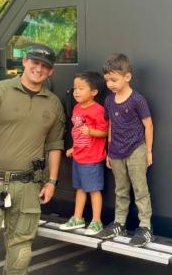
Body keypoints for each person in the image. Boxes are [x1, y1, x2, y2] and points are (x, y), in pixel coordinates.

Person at [0, 44, 65, 275]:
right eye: (35, 63)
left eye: (45, 66)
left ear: (51, 72)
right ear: (25, 62)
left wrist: (52, 181)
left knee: (21, 252)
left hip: (28, 186)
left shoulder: (53, 103)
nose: (39, 69)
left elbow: (55, 145)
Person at [97, 53, 155, 247]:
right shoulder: (109, 100)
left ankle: (145, 226)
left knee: (140, 189)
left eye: (114, 79)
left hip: (136, 149)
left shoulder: (138, 100)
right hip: (115, 152)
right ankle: (119, 223)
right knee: (120, 189)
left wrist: (148, 151)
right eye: (107, 80)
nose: (110, 84)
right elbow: (111, 124)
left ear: (127, 77)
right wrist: (109, 150)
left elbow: (148, 125)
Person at [59, 72, 108, 235]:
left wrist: (92, 131)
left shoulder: (98, 110)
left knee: (94, 190)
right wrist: (74, 148)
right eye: (75, 88)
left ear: (94, 92)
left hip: (92, 158)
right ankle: (77, 218)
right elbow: (77, 132)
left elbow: (105, 131)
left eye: (81, 88)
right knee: (79, 189)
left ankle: (96, 221)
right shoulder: (77, 108)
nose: (76, 92)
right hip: (79, 157)